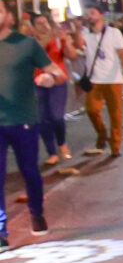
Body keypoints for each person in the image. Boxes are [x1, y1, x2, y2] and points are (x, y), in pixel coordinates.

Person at [0, 3, 54, 246]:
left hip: (23, 120)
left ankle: (37, 213)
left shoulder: (26, 44)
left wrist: (49, 77)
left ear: (8, 16)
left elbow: (54, 70)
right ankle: (1, 230)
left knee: (30, 171)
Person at [80, 3, 123, 158]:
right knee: (91, 110)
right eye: (87, 13)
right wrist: (76, 29)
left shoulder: (114, 33)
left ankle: (115, 145)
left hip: (114, 79)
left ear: (101, 15)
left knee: (116, 114)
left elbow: (122, 54)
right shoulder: (84, 33)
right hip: (94, 79)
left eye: (92, 13)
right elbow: (77, 45)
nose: (89, 16)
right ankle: (102, 132)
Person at [31, 13, 75, 164]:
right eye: (39, 23)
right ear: (33, 27)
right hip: (38, 83)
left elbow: (72, 55)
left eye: (45, 22)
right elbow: (37, 52)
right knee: (42, 118)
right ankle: (52, 152)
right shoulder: (31, 41)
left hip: (57, 82)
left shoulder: (56, 39)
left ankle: (62, 144)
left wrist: (66, 41)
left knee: (57, 116)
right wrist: (50, 35)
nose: (44, 26)